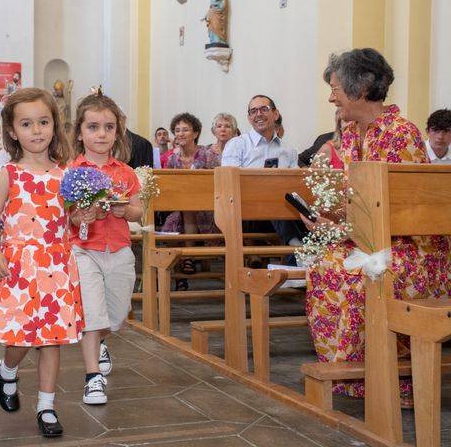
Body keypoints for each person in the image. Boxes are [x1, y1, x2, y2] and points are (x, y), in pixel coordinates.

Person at [304, 47, 451, 405]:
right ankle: (356, 374)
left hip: (416, 249)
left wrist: (346, 226)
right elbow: (362, 203)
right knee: (323, 265)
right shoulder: (353, 134)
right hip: (375, 238)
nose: (331, 96)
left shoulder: (400, 133)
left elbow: (403, 211)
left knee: (354, 273)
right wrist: (330, 218)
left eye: (336, 88)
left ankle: (392, 379)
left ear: (360, 89)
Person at [0, 88, 83, 438]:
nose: (37, 130)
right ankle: (7, 371)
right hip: (19, 266)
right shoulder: (10, 173)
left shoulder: (65, 174)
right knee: (21, 340)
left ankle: (47, 407)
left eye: (43, 122)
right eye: (27, 124)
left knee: (51, 340)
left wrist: (88, 210)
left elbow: (72, 218)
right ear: (12, 131)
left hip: (56, 264)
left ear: (54, 125)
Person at [68, 92, 142, 405]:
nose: (101, 134)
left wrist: (126, 211)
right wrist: (81, 213)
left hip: (120, 250)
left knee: (116, 315)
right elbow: (68, 214)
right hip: (84, 249)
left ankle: (99, 342)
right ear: (80, 132)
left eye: (108, 127)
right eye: (94, 127)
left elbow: (138, 210)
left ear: (117, 132)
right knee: (92, 315)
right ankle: (92, 378)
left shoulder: (125, 172)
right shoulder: (72, 170)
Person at [221, 95, 305, 249]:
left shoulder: (288, 150)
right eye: (253, 111)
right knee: (273, 197)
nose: (258, 114)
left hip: (283, 214)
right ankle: (296, 246)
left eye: (263, 109)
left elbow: (296, 184)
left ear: (275, 114)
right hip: (246, 214)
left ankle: (307, 255)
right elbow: (228, 183)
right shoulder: (237, 145)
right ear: (249, 118)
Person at [162, 112, 218, 290]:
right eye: (177, 130)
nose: (180, 133)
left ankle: (188, 259)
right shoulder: (172, 159)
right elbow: (169, 186)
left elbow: (218, 183)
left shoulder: (208, 155)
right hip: (180, 208)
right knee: (169, 227)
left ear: (195, 133)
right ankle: (181, 272)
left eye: (185, 129)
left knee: (188, 210)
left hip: (207, 208)